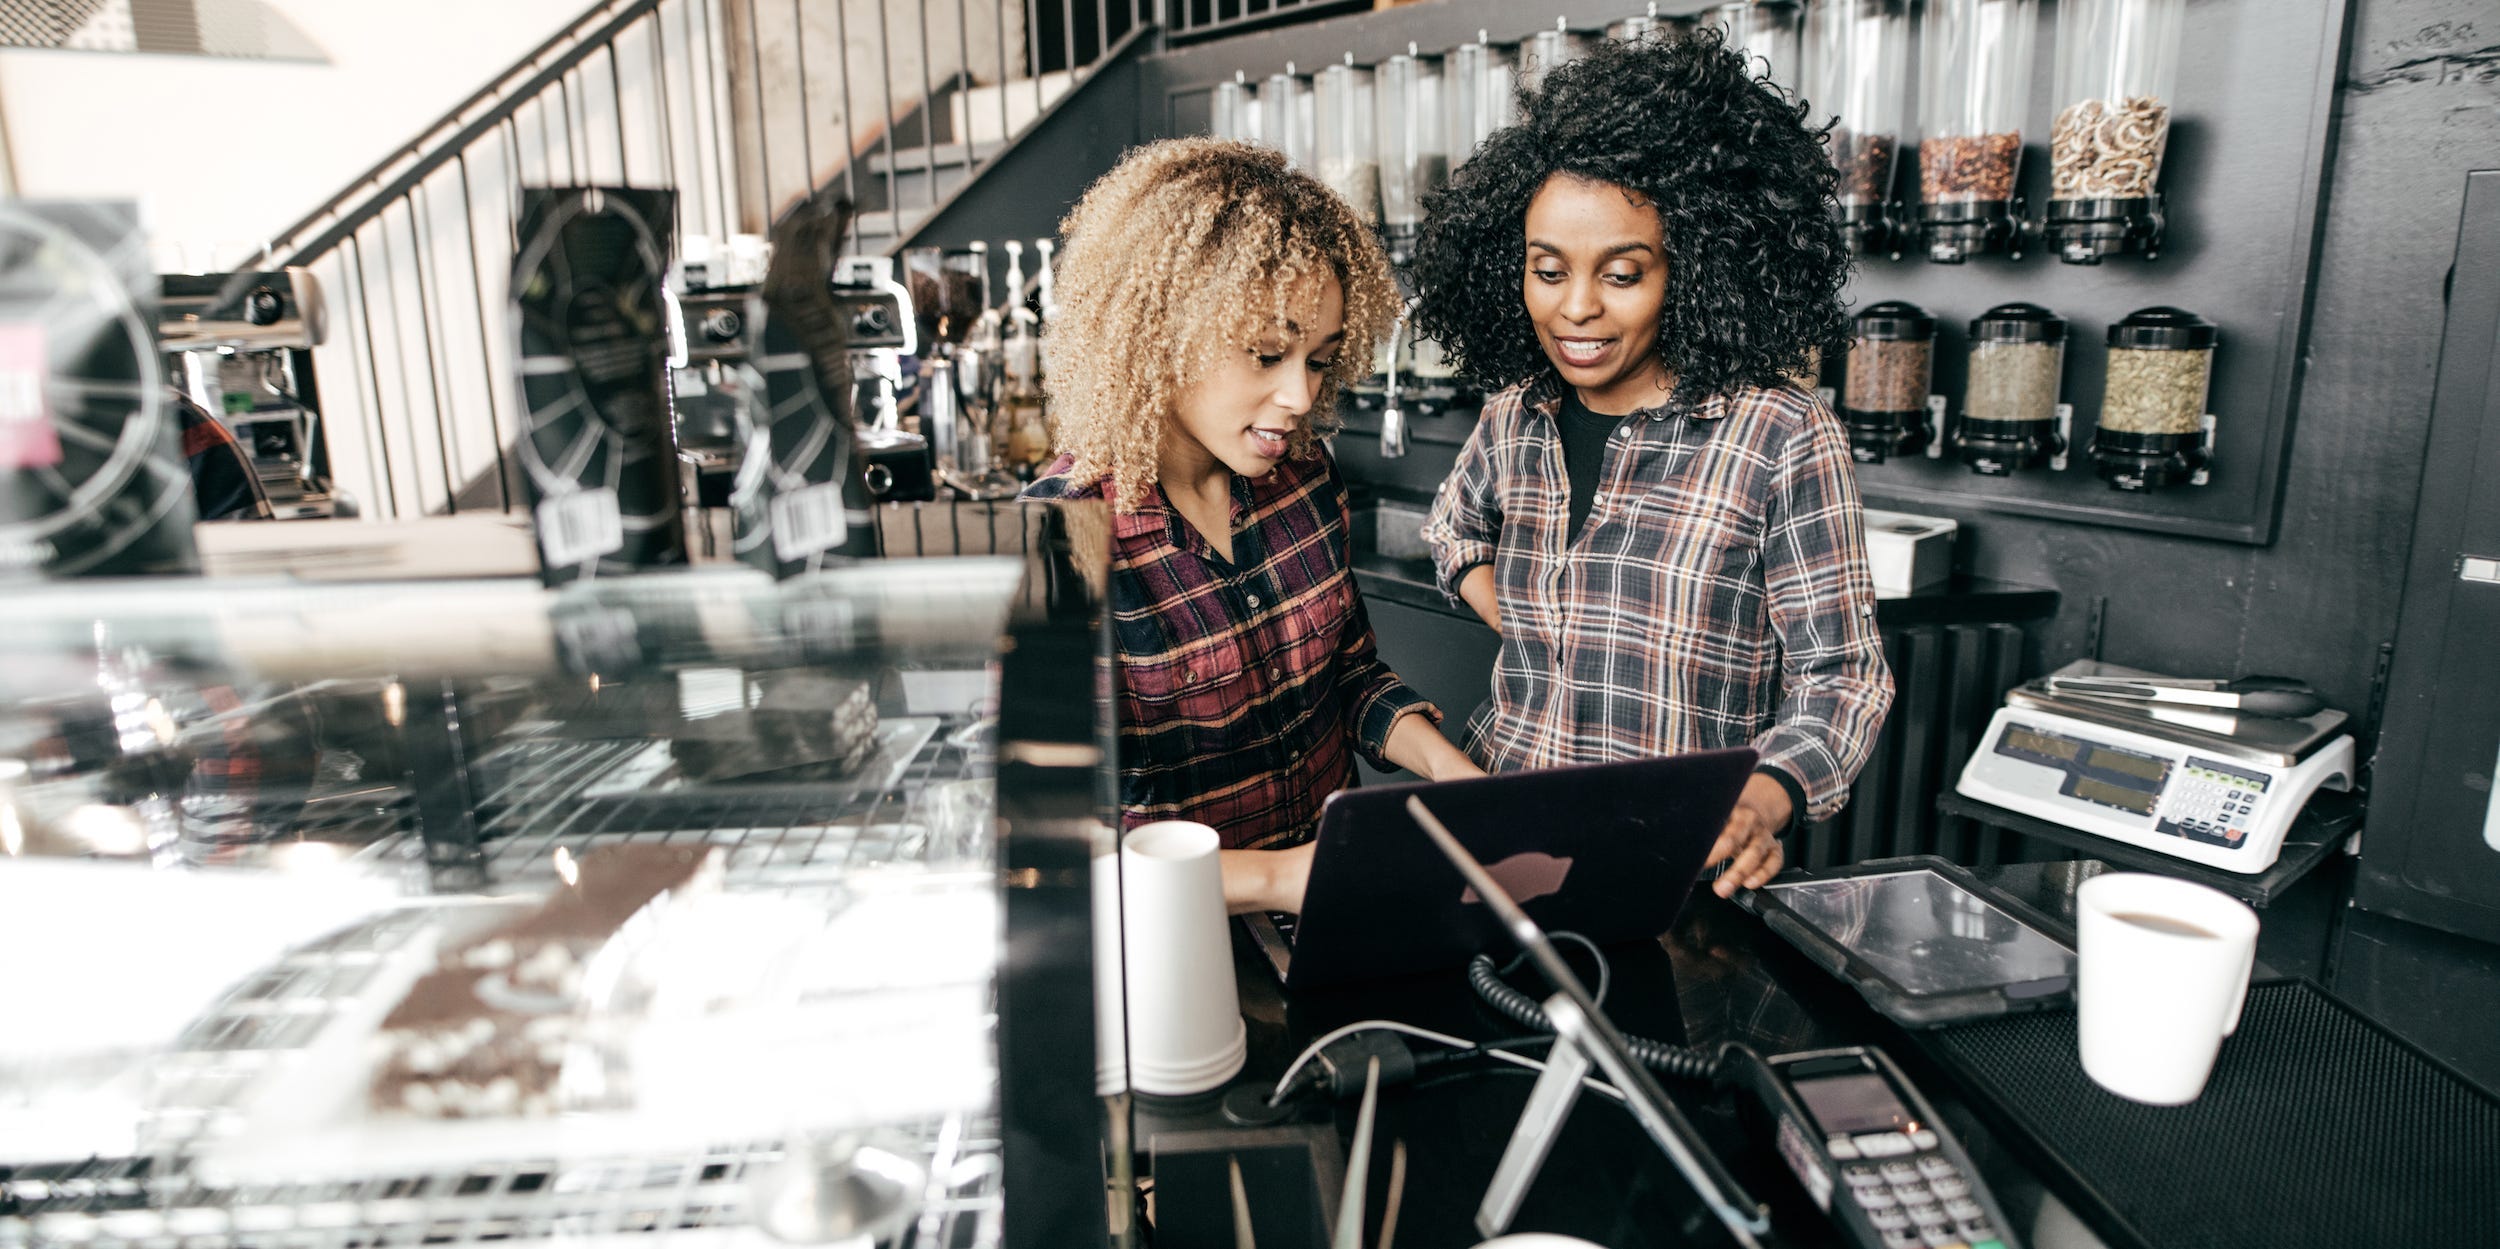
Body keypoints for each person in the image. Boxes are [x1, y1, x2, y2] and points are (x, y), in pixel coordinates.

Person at [1414, 31, 1893, 899]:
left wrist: (1764, 797)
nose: (1577, 308)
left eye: (1623, 273)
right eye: (1547, 270)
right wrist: (1533, 613)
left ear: (1697, 268)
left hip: (1677, 860)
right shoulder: (1513, 416)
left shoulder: (1780, 434)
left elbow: (1843, 674)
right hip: (1506, 832)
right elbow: (1452, 528)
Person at [1023, 138, 1481, 912]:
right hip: (1182, 965)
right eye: (1267, 354)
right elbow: (1058, 847)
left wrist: (1453, 773)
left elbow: (1349, 673)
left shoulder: (1302, 482)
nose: (1300, 395)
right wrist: (1281, 877)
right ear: (1157, 334)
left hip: (1338, 920)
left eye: (1318, 358)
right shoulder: (1062, 541)